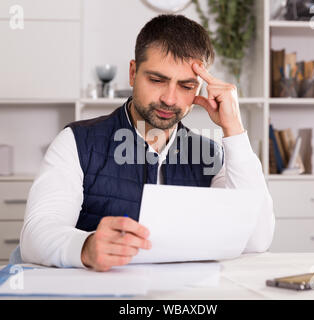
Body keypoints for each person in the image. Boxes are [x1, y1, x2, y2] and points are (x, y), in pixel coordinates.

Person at [20, 14, 275, 272]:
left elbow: (256, 240)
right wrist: (85, 246)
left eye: (186, 86)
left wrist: (234, 131)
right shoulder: (76, 142)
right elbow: (35, 236)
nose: (170, 99)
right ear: (133, 73)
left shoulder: (211, 156)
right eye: (156, 80)